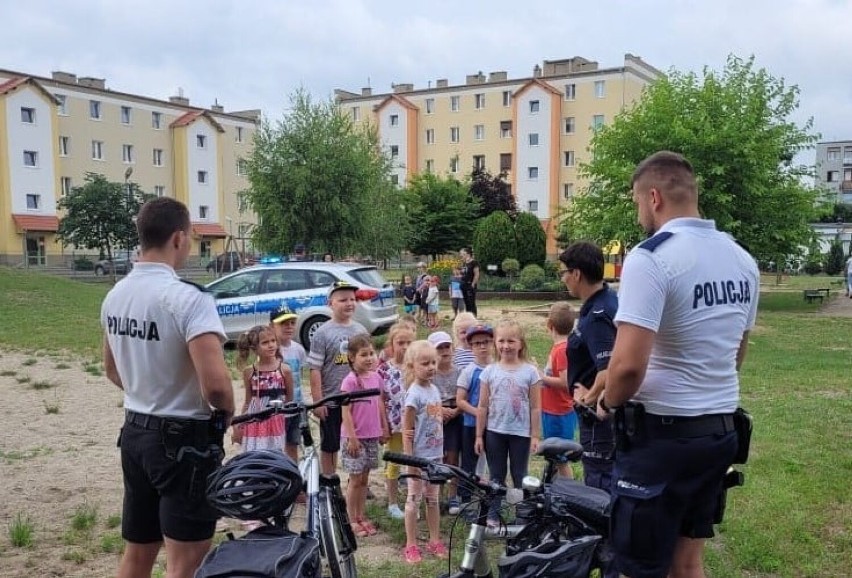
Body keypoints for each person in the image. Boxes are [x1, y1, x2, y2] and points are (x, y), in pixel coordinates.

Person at [603, 151, 759, 578]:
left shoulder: (651, 257)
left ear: (653, 197)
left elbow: (629, 367)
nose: (639, 215)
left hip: (662, 441)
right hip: (719, 432)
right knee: (688, 563)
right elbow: (736, 354)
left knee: (636, 568)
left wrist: (608, 401)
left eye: (637, 203)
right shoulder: (742, 260)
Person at [101, 197, 234, 578]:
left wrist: (147, 391)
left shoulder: (116, 295)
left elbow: (111, 368)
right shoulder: (188, 299)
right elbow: (216, 387)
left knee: (138, 553)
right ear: (179, 238)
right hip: (183, 440)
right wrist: (227, 412)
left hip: (136, 431)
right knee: (185, 563)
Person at [558, 241, 618, 492]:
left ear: (577, 274)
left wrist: (588, 399)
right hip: (604, 411)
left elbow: (608, 368)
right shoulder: (605, 299)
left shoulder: (597, 316)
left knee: (599, 479)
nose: (563, 279)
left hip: (598, 417)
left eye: (563, 272)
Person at [474, 320, 542, 526]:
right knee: (496, 474)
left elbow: (535, 407)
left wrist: (535, 435)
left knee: (519, 474)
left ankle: (524, 513)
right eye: (501, 341)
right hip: (495, 431)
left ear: (520, 344)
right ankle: (495, 513)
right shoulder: (489, 372)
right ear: (495, 343)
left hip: (520, 433)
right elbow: (483, 406)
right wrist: (479, 434)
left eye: (511, 341)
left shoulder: (530, 372)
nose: (506, 346)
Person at [307, 281, 369, 475]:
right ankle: (330, 481)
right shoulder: (322, 333)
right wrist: (318, 401)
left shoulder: (360, 330)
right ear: (330, 303)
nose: (349, 303)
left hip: (357, 400)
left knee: (359, 439)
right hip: (332, 399)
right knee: (330, 445)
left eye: (352, 299)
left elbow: (369, 365)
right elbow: (315, 369)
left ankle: (358, 481)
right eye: (343, 300)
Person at [401, 340, 447, 564]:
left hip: (435, 455)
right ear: (412, 366)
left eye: (433, 363)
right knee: (413, 500)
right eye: (425, 363)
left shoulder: (434, 389)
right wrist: (410, 461)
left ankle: (434, 539)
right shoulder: (413, 395)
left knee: (433, 499)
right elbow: (407, 430)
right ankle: (411, 544)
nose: (430, 367)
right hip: (417, 458)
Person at [340, 334, 388, 538]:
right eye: (363, 355)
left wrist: (384, 427)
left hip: (372, 435)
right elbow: (345, 411)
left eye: (371, 353)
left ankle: (361, 515)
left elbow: (379, 403)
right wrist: (352, 437)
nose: (369, 358)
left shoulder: (376, 377)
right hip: (355, 438)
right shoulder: (350, 381)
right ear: (351, 357)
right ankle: (351, 519)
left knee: (365, 477)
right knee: (355, 479)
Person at [231, 325, 293, 451]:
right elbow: (248, 402)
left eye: (273, 341)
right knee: (255, 455)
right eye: (265, 343)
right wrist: (239, 424)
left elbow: (289, 399)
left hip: (275, 420)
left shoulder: (285, 370)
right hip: (255, 421)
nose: (271, 345)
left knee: (274, 455)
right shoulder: (249, 372)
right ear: (254, 349)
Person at [377, 322, 415, 519]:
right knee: (393, 463)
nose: (405, 346)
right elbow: (380, 400)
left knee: (414, 463)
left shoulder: (416, 367)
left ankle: (412, 500)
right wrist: (383, 425)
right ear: (391, 344)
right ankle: (392, 502)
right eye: (401, 342)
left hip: (413, 426)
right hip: (393, 425)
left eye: (409, 342)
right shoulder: (383, 369)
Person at [455, 323, 493, 508]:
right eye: (477, 343)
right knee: (469, 461)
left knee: (494, 460)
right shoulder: (468, 371)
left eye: (486, 342)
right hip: (471, 424)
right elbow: (460, 400)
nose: (482, 347)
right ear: (471, 346)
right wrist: (477, 411)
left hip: (494, 424)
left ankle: (490, 493)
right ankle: (465, 499)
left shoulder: (497, 368)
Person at [428, 331, 462, 515]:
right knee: (437, 457)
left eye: (446, 346)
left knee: (453, 457)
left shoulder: (460, 372)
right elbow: (426, 398)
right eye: (439, 348)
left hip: (455, 416)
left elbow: (464, 397)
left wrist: (455, 411)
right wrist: (440, 411)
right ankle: (436, 495)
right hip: (434, 419)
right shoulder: (430, 374)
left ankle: (453, 495)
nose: (444, 351)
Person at [540, 302, 577, 479]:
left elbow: (565, 382)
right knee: (553, 454)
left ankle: (568, 491)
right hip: (551, 411)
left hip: (559, 413)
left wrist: (541, 377)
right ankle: (553, 487)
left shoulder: (561, 350)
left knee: (560, 456)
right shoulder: (559, 347)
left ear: (550, 325)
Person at [270, 305, 307, 465]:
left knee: (293, 444)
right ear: (272, 326)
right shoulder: (270, 350)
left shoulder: (298, 349)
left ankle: (293, 475)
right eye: (284, 323)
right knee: (275, 447)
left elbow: (300, 376)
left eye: (292, 322)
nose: (289, 326)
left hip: (295, 406)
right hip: (276, 410)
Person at [459, 247, 480, 316]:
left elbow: (476, 274)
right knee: (466, 302)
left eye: (462, 253)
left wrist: (473, 284)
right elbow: (463, 273)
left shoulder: (474, 262)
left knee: (471, 302)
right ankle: (469, 317)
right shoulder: (464, 263)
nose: (461, 255)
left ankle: (474, 317)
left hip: (470, 285)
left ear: (467, 254)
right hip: (463, 285)